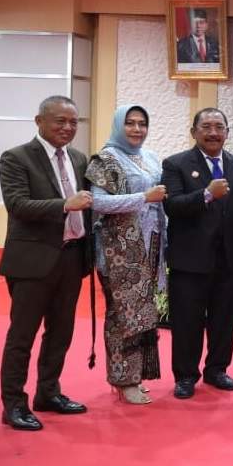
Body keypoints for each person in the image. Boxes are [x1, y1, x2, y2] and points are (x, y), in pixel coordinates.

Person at [0, 95, 92, 431]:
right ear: (39, 121)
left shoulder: (79, 158)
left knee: (61, 333)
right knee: (22, 336)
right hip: (32, 262)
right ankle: (13, 404)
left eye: (73, 122)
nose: (67, 128)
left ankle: (48, 393)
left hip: (71, 257)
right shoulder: (16, 157)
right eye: (60, 121)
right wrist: (65, 204)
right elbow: (17, 205)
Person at [161, 107, 233, 399]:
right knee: (187, 321)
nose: (213, 132)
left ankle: (217, 370)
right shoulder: (176, 164)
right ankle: (185, 376)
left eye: (219, 127)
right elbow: (172, 205)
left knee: (224, 320)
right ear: (194, 132)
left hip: (229, 258)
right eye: (206, 127)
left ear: (227, 132)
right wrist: (205, 194)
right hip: (190, 259)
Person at [86, 105, 168, 405]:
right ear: (118, 125)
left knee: (143, 314)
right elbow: (97, 203)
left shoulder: (151, 157)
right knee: (122, 316)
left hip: (150, 245)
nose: (136, 129)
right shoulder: (105, 159)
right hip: (119, 251)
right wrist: (143, 197)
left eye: (142, 123)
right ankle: (123, 378)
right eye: (130, 123)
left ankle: (136, 376)